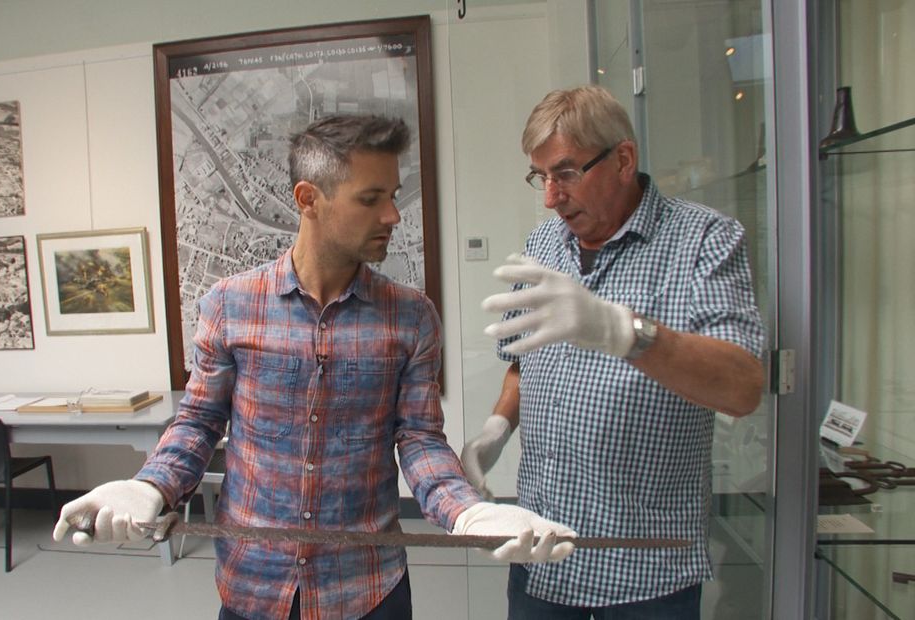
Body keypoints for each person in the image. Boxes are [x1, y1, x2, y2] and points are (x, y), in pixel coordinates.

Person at [53, 114, 576, 620]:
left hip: (367, 587)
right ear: (309, 199)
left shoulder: (411, 316)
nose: (392, 215)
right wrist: (148, 486)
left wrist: (468, 510)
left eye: (392, 196)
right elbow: (199, 422)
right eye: (371, 199)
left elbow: (419, 438)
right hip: (254, 582)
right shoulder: (230, 305)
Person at [461, 85, 766, 619]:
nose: (552, 197)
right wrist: (497, 430)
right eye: (541, 178)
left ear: (623, 159)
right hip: (545, 558)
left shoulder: (704, 240)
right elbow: (523, 360)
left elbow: (742, 387)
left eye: (566, 173)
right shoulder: (545, 243)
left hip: (645, 569)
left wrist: (622, 331)